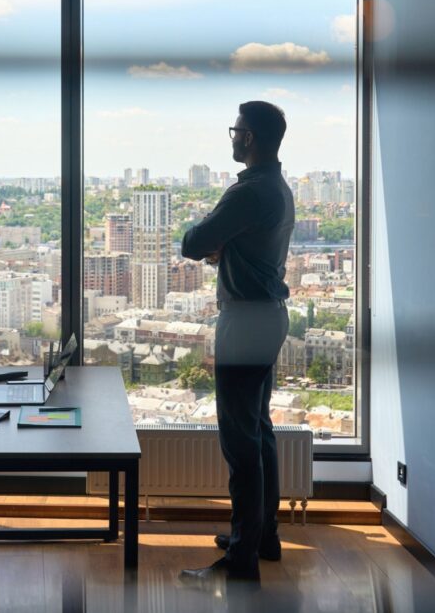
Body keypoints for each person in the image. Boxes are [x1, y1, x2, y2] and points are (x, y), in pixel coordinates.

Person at [179, 101, 295, 584]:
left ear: (249, 138)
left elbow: (193, 242)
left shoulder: (249, 191)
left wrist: (212, 242)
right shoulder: (277, 188)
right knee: (259, 432)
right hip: (265, 317)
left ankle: (243, 557)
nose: (232, 136)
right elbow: (225, 245)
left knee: (240, 441)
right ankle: (262, 536)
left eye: (236, 130)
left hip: (245, 320)